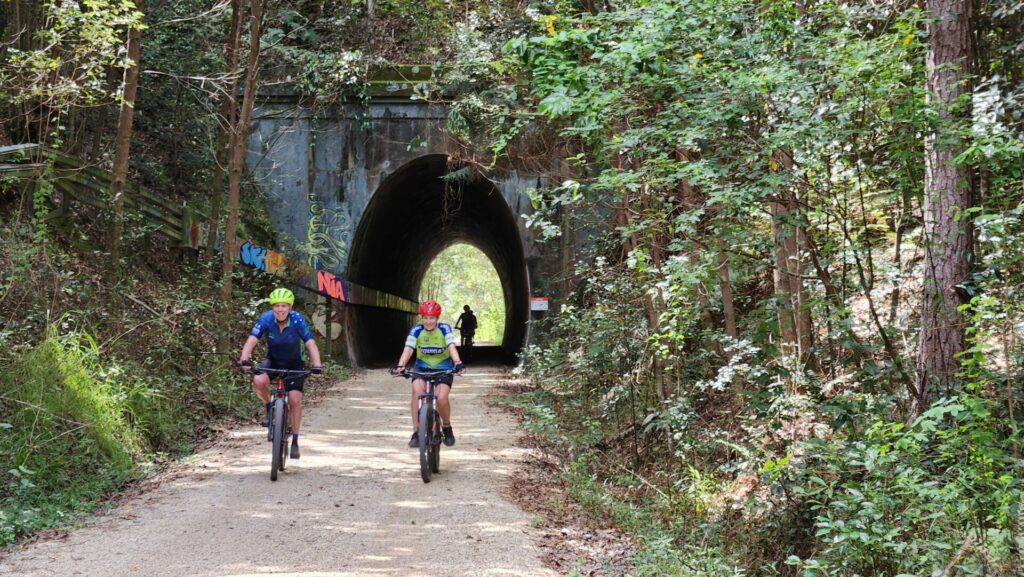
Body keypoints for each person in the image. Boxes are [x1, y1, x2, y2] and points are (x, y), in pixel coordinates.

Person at [239, 287, 322, 460]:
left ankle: (295, 441)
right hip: (273, 361)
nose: (280, 309)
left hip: (294, 364)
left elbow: (310, 343)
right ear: (272, 308)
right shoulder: (266, 319)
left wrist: (317, 365)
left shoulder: (297, 320)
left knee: (294, 400)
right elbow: (252, 340)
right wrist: (244, 359)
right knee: (259, 380)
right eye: (276, 306)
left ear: (290, 307)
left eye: (284, 306)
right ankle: (269, 407)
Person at [390, 299, 464, 448]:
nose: (428, 321)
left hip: (443, 368)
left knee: (442, 398)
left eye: (431, 318)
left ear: (437, 318)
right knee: (417, 394)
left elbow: (451, 347)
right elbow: (408, 349)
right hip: (421, 368)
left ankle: (447, 427)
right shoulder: (416, 330)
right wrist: (401, 365)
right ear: (421, 317)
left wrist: (457, 363)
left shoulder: (444, 329)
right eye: (425, 317)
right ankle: (416, 432)